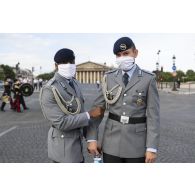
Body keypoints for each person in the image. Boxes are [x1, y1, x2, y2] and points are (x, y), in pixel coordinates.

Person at [87, 37, 160, 163]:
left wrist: (152, 148)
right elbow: (97, 110)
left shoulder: (148, 79)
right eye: (118, 55)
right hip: (111, 142)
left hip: (137, 144)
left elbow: (154, 116)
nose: (122, 57)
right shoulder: (108, 78)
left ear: (135, 53)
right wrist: (92, 138)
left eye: (126, 53)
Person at [39, 48, 104, 163]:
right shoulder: (49, 89)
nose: (68, 65)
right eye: (63, 62)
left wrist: (91, 139)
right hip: (63, 148)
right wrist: (90, 114)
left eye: (71, 62)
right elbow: (61, 122)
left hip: (76, 144)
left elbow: (80, 114)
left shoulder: (74, 83)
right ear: (56, 65)